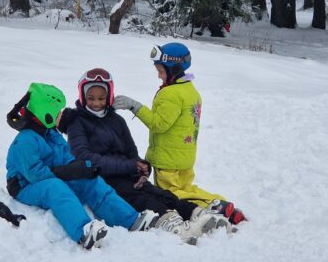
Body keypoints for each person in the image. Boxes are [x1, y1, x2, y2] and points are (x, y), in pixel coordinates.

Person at [58, 68, 232, 244]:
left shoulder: (117, 120)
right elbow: (85, 157)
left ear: (109, 96)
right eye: (91, 98)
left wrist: (141, 167)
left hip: (125, 172)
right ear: (82, 96)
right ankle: (172, 223)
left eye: (101, 98)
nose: (96, 103)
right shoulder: (77, 122)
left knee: (156, 192)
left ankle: (196, 213)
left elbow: (130, 151)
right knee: (136, 197)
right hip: (102, 177)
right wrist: (129, 166)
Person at [3, 82, 161, 249]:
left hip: (51, 175)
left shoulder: (51, 134)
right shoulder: (26, 139)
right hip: (24, 185)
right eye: (58, 111)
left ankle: (130, 220)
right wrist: (66, 172)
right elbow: (34, 174)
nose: (61, 115)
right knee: (55, 188)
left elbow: (66, 156)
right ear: (46, 112)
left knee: (90, 181)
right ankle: (83, 231)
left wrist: (82, 168)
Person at [113, 43, 247, 224]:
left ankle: (214, 206)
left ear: (173, 68)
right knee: (187, 188)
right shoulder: (190, 91)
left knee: (173, 194)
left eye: (160, 71)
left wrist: (134, 106)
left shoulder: (172, 93)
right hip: (184, 156)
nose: (158, 75)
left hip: (168, 159)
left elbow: (158, 124)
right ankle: (221, 205)